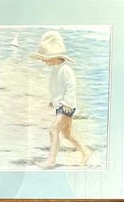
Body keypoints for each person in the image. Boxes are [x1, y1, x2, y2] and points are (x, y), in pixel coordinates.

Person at [30, 31, 91, 168]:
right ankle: (86, 152)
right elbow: (57, 89)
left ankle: (51, 159)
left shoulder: (66, 70)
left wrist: (67, 104)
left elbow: (71, 88)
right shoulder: (55, 70)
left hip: (67, 106)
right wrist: (53, 100)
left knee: (53, 130)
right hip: (60, 106)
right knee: (67, 134)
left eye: (44, 58)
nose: (43, 61)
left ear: (54, 57)